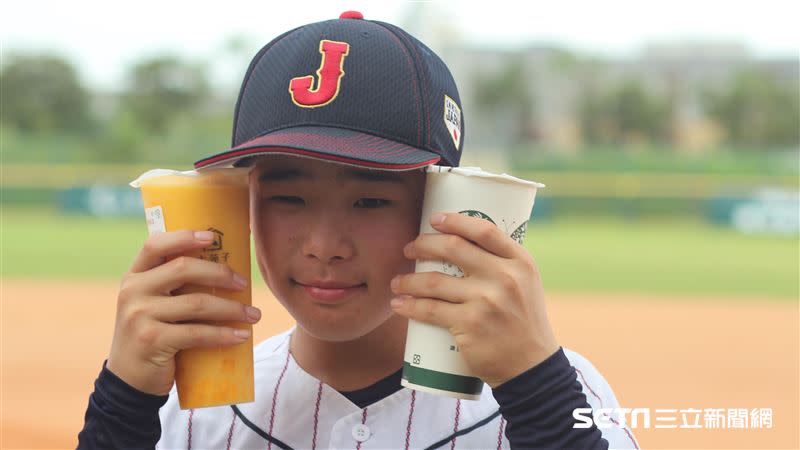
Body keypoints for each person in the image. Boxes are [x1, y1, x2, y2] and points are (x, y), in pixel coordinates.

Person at [78, 11, 639, 449]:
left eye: (371, 200)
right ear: (244, 202)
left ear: (437, 204)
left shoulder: (554, 397)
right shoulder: (182, 413)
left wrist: (536, 388)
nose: (324, 247)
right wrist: (122, 403)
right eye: (289, 198)